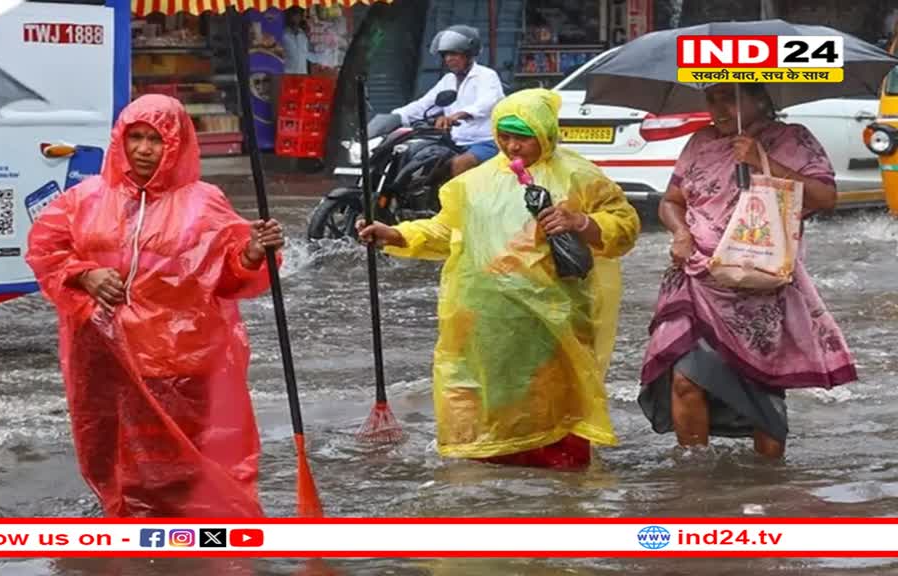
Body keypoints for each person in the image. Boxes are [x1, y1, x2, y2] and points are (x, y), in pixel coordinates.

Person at [25, 94, 285, 517]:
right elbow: (45, 251)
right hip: (103, 357)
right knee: (115, 456)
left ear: (177, 145)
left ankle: (196, 541)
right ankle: (132, 533)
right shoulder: (85, 199)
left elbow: (227, 274)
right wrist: (85, 274)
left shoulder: (204, 202)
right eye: (136, 138)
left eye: (156, 140)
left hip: (182, 362)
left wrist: (253, 253)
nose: (144, 150)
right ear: (120, 141)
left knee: (188, 463)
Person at [358, 89, 640, 468]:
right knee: (490, 405)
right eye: (503, 136)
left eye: (521, 137)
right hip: (483, 319)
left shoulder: (579, 177)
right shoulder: (473, 184)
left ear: (545, 134)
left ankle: (559, 502)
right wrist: (398, 235)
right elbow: (448, 232)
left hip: (553, 320)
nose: (511, 146)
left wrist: (581, 222)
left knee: (553, 405)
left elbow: (625, 227)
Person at [638, 83, 858, 459]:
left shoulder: (792, 139)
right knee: (684, 380)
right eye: (712, 99)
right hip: (695, 277)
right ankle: (694, 479)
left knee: (761, 394)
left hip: (758, 284)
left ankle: (768, 484)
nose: (719, 109)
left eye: (730, 98)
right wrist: (680, 233)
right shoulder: (699, 142)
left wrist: (763, 162)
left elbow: (826, 197)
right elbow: (671, 201)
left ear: (760, 100)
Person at [391, 25, 505, 178]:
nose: (448, 59)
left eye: (454, 54)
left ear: (469, 54)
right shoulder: (447, 80)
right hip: (454, 142)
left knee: (459, 164)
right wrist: (395, 117)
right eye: (445, 55)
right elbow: (424, 104)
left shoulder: (486, 76)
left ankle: (459, 202)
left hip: (486, 142)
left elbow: (487, 102)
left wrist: (458, 115)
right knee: (419, 160)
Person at [282, 7, 312, 75]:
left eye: (297, 15)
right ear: (288, 16)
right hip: (288, 75)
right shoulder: (283, 35)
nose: (294, 17)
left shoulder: (304, 35)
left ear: (300, 17)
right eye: (293, 14)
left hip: (302, 74)